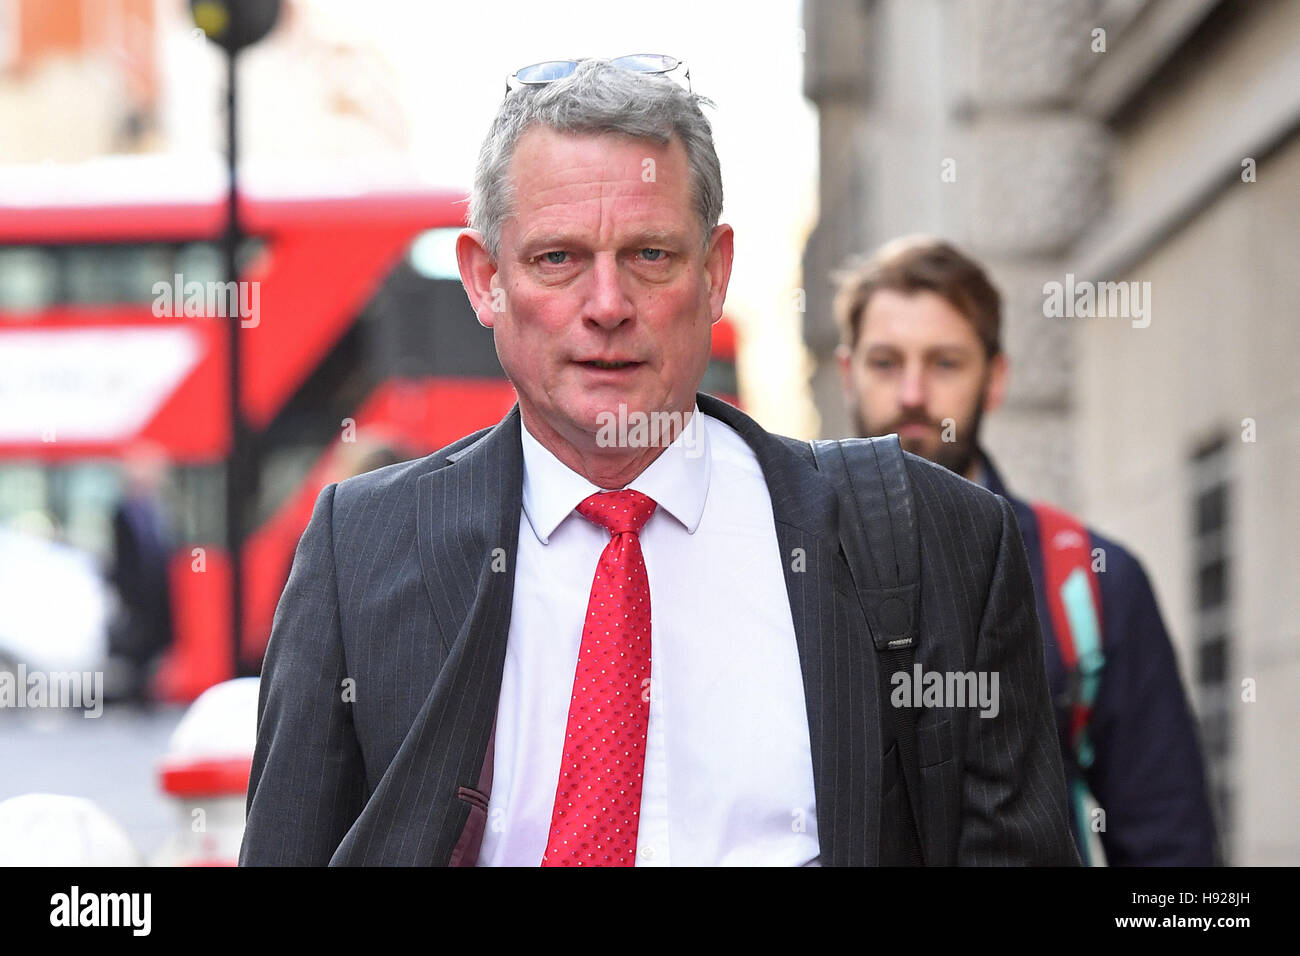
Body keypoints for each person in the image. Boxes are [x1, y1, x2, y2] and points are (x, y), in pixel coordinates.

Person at [240, 58, 1077, 866]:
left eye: (650, 256)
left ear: (715, 274)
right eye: (557, 258)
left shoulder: (938, 540)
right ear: (485, 280)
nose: (607, 307)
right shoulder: (361, 551)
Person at [833, 235, 1218, 865]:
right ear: (848, 375)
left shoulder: (1092, 583)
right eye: (885, 362)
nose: (911, 393)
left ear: (995, 379)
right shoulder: (784, 561)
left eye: (945, 363)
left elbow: (1173, 862)